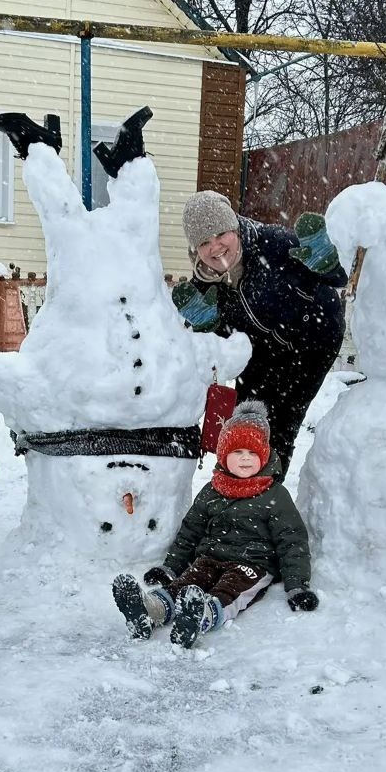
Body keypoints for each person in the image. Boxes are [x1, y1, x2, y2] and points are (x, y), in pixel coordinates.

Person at [111, 400, 318, 649]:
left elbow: (292, 540)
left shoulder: (275, 495)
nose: (245, 459)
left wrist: (297, 586)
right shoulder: (213, 490)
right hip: (209, 558)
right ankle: (151, 610)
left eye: (253, 453)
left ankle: (202, 616)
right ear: (223, 454)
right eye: (237, 452)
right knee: (185, 583)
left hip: (253, 564)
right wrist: (170, 568)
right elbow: (191, 531)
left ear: (263, 456)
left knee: (230, 590)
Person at [172, 190, 347, 476]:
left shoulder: (276, 244)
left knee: (280, 423)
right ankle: (231, 490)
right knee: (244, 420)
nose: (215, 247)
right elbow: (220, 341)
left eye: (220, 234)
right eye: (204, 242)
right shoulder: (203, 288)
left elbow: (337, 279)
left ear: (234, 227)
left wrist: (326, 263)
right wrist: (210, 328)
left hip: (313, 340)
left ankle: (265, 493)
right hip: (259, 352)